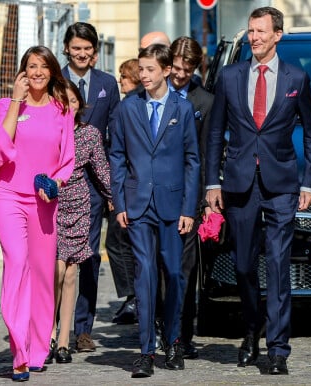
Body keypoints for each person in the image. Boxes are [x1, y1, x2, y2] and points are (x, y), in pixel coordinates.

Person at [204, 7, 311, 376]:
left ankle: (278, 348)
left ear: (277, 35)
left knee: (278, 265)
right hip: (239, 183)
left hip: (282, 185)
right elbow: (214, 132)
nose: (253, 37)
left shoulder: (296, 78)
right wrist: (212, 182)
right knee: (243, 266)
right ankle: (251, 331)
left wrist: (308, 182)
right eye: (250, 31)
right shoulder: (230, 76)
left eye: (260, 31)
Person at [0, 45, 75, 381]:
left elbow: (67, 158)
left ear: (52, 72)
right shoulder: (7, 106)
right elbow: (2, 147)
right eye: (31, 66)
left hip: (44, 201)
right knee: (18, 264)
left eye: (43, 67)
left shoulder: (61, 108)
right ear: (23, 71)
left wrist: (55, 183)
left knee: (41, 275)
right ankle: (19, 353)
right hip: (8, 196)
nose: (37, 72)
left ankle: (38, 349)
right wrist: (16, 101)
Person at [109, 43, 200, 378]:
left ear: (165, 70)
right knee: (144, 275)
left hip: (173, 205)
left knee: (174, 273)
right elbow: (116, 155)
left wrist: (189, 208)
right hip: (137, 205)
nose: (144, 76)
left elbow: (193, 160)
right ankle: (145, 351)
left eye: (150, 69)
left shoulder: (183, 108)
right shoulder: (128, 108)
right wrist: (119, 201)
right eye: (141, 69)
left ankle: (173, 341)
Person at [61, 22, 120, 352]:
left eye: (88, 48)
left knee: (88, 258)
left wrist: (113, 188)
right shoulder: (57, 82)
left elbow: (114, 138)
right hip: (57, 184)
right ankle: (58, 325)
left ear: (95, 52)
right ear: (67, 48)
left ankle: (83, 328)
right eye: (76, 48)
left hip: (93, 188)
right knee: (56, 257)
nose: (82, 53)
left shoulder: (107, 84)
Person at [46, 80, 112, 365]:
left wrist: (116, 199)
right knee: (55, 271)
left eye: (72, 101)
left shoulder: (90, 135)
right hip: (49, 205)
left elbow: (102, 170)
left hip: (78, 204)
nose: (67, 107)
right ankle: (46, 331)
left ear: (80, 105)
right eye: (62, 102)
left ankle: (62, 341)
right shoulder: (46, 133)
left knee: (71, 272)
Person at [167, 35, 214, 360]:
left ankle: (182, 335)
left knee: (185, 268)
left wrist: (207, 196)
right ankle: (161, 325)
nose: (180, 74)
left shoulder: (204, 101)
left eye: (187, 69)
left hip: (188, 195)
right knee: (158, 266)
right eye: (175, 67)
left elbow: (208, 153)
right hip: (154, 194)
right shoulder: (152, 93)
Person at [107, 58, 141, 325]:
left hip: (128, 184)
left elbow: (118, 151)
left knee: (118, 242)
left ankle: (132, 297)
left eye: (125, 76)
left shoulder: (124, 108)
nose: (121, 80)